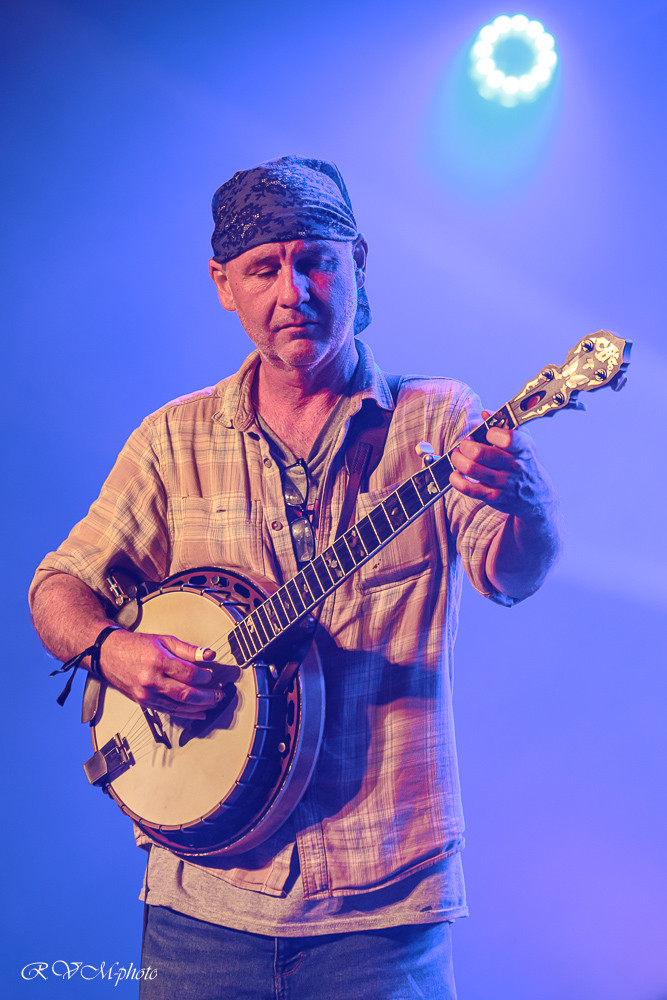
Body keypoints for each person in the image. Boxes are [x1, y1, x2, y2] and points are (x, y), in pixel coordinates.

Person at [29, 156, 560, 999]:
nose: (293, 290)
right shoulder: (172, 439)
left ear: (356, 262)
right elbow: (57, 586)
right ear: (222, 284)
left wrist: (525, 507)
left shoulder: (439, 419)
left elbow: (508, 576)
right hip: (200, 904)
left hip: (382, 905)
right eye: (261, 268)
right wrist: (113, 651)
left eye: (315, 259)